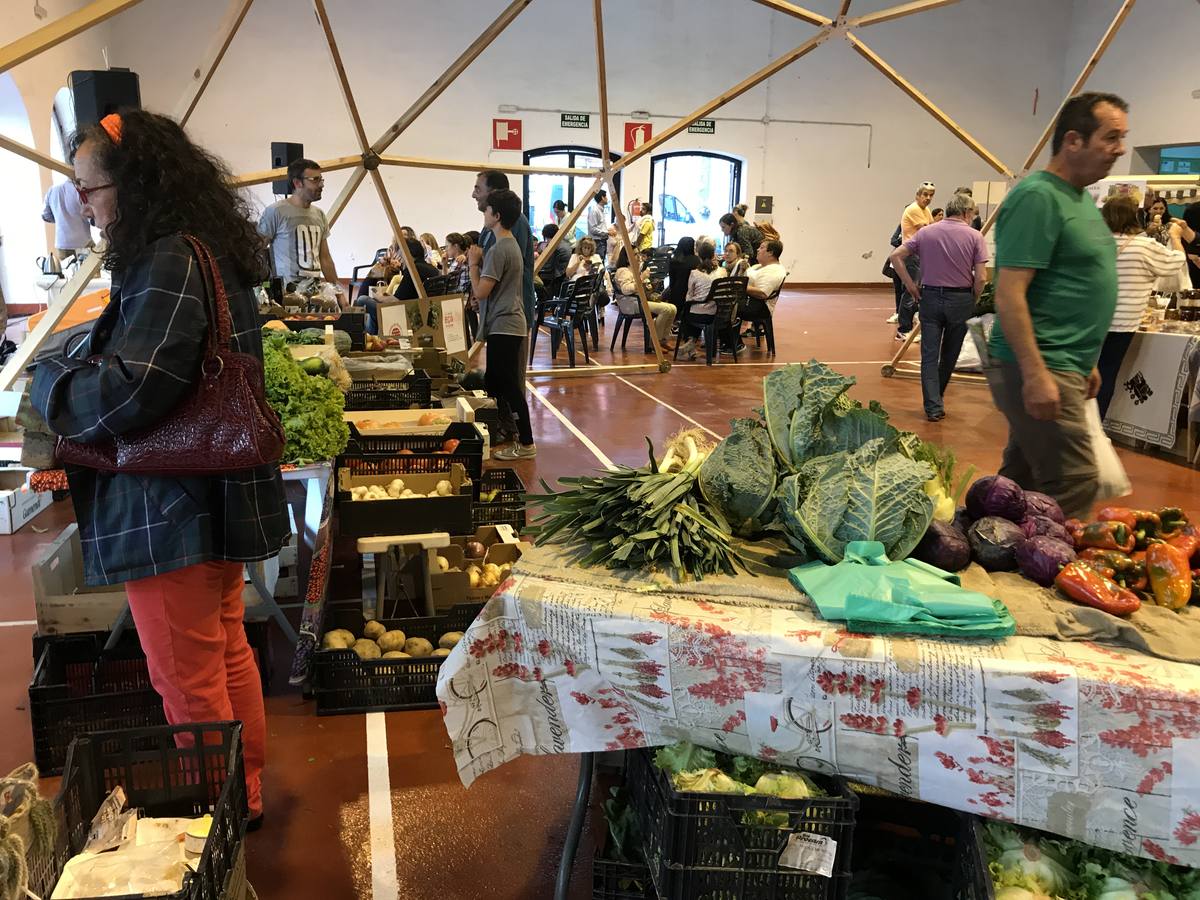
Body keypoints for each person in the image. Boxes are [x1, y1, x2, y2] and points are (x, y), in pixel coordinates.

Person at [31, 110, 287, 826]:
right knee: (224, 650)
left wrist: (49, 388)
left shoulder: (168, 255)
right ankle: (247, 787)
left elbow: (137, 381)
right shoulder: (200, 246)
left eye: (92, 187)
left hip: (169, 501)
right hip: (207, 493)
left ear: (135, 182)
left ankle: (222, 805)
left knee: (184, 672)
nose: (86, 203)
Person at [986, 91, 1129, 518]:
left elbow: (1071, 283)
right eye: (1111, 137)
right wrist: (1035, 373)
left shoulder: (1080, 197)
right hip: (1042, 362)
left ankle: (991, 560)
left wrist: (1086, 360)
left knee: (1020, 482)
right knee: (1074, 480)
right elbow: (1009, 292)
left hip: (1065, 362)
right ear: (1072, 140)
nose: (1120, 149)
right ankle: (1055, 576)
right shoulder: (1038, 197)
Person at [890, 193, 989, 421]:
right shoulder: (975, 237)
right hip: (960, 299)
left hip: (930, 297)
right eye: (972, 214)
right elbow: (981, 277)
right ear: (966, 213)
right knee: (950, 354)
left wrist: (911, 288)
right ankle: (937, 398)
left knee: (929, 354)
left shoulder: (926, 232)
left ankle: (933, 406)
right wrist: (973, 298)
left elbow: (896, 256)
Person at [1098, 195, 1188, 417]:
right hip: (1123, 321)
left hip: (1092, 319)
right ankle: (1094, 429)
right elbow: (1176, 264)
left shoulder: (1096, 243)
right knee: (1107, 373)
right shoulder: (1143, 245)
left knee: (1085, 373)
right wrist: (1176, 238)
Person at [467, 188, 535, 460]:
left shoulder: (498, 250)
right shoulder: (509, 246)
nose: (483, 212)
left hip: (505, 325)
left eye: (486, 209)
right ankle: (504, 431)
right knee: (495, 382)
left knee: (508, 386)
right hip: (505, 323)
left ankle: (526, 443)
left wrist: (473, 265)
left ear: (496, 215)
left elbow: (481, 291)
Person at [256, 158, 346, 306]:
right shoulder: (275, 212)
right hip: (286, 296)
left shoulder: (319, 215)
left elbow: (325, 259)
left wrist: (339, 294)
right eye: (315, 180)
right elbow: (258, 250)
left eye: (321, 179)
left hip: (315, 295)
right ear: (297, 183)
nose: (321, 185)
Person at [896, 181, 936, 341]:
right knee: (911, 290)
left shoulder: (926, 210)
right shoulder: (913, 209)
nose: (928, 198)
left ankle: (911, 325)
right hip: (911, 254)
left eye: (931, 195)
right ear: (917, 195)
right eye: (925, 194)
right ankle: (903, 328)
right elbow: (927, 229)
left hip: (920, 254)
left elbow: (932, 226)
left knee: (917, 289)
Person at [613, 248, 675, 351]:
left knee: (673, 308)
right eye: (635, 254)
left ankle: (663, 340)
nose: (639, 257)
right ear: (628, 258)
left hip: (640, 301)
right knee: (666, 310)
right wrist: (641, 278)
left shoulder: (636, 269)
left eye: (638, 254)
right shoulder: (623, 271)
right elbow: (626, 290)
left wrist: (651, 284)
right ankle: (654, 342)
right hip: (631, 304)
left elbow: (643, 287)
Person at [676, 239, 726, 361]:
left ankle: (691, 341)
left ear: (699, 256)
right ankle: (692, 343)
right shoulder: (722, 271)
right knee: (697, 310)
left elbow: (689, 296)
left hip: (699, 315)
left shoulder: (695, 273)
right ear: (714, 255)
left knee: (687, 311)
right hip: (718, 313)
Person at [42, 179, 93, 263]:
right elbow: (90, 215)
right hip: (83, 241)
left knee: (69, 273)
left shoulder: (52, 189)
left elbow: (45, 216)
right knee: (92, 272)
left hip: (62, 243)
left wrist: (60, 219)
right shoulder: (79, 189)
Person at [666, 236, 701, 314]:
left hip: (677, 295)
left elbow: (672, 282)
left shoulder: (674, 260)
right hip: (692, 294)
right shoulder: (697, 260)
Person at [540, 223, 572, 298]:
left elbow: (548, 266)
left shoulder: (553, 247)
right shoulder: (565, 244)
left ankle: (541, 305)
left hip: (555, 280)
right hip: (563, 279)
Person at [587, 189, 610, 259]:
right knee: (597, 264)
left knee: (601, 263)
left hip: (602, 242)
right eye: (606, 197)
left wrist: (607, 231)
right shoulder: (595, 210)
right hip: (597, 242)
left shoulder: (601, 210)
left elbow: (599, 227)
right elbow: (592, 229)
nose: (607, 198)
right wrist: (607, 232)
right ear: (602, 197)